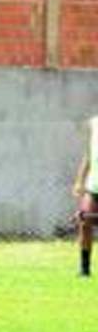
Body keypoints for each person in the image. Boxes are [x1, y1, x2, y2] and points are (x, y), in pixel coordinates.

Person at [72, 116, 98, 277]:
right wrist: (79, 181)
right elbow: (89, 155)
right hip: (94, 186)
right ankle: (84, 268)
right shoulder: (94, 123)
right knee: (85, 221)